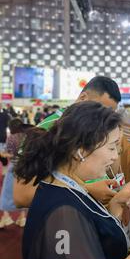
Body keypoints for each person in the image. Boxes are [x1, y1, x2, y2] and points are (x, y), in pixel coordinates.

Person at [16, 101, 130, 259]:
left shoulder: (65, 187)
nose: (115, 156)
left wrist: (115, 204)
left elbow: (94, 240)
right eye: (112, 147)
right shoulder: (64, 214)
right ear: (81, 151)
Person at [13, 76, 122, 208]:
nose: (105, 118)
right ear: (83, 98)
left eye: (110, 113)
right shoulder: (49, 129)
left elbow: (111, 170)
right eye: (99, 109)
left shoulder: (92, 130)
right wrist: (86, 190)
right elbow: (22, 196)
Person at [0, 119, 31, 228]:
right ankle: (22, 218)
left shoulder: (12, 138)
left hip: (14, 168)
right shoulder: (28, 137)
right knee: (22, 192)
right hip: (26, 169)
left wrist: (2, 154)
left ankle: (6, 216)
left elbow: (9, 154)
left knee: (7, 193)